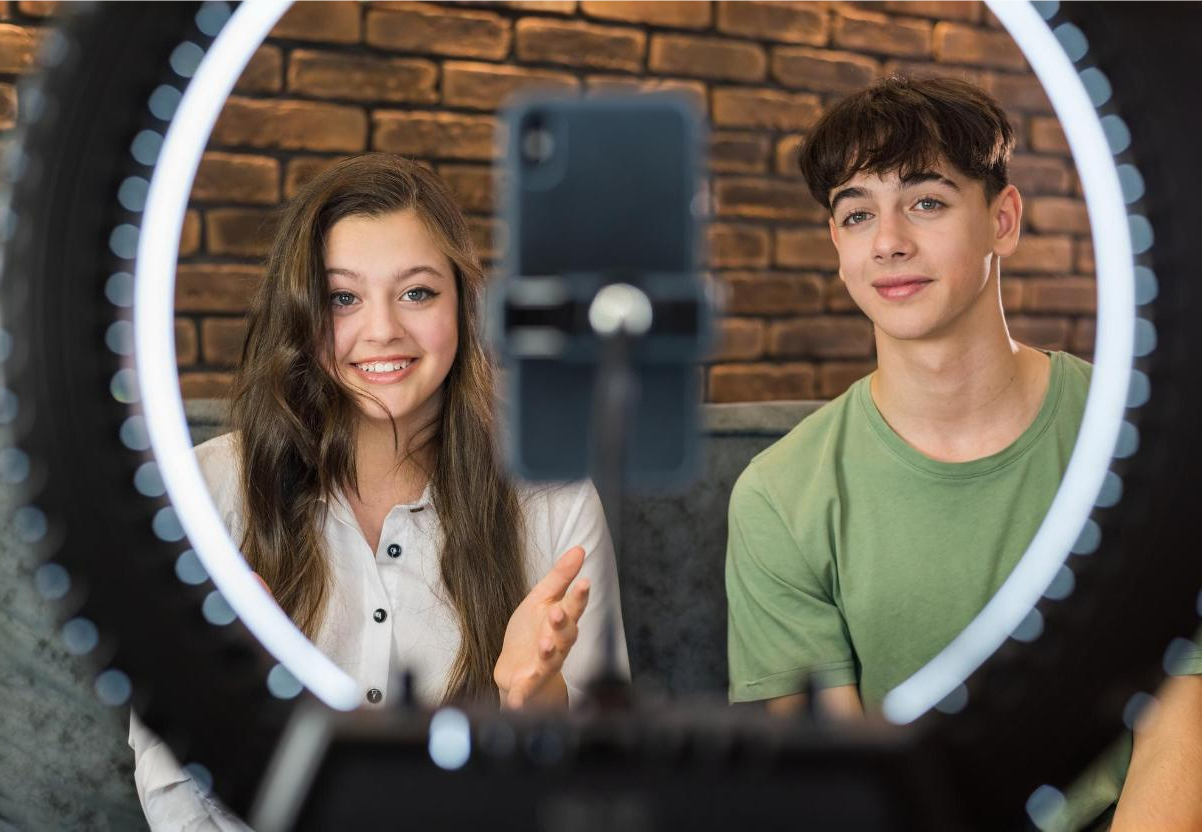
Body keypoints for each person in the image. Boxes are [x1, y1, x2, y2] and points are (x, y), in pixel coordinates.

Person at [725, 76, 1201, 830]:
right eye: (856, 214)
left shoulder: (1140, 439)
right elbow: (832, 783)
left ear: (1002, 220)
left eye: (927, 201)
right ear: (838, 248)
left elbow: (1182, 713)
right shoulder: (779, 495)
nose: (889, 242)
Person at [130, 153, 629, 829]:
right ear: (302, 314)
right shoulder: (203, 495)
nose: (383, 329)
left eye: (417, 292)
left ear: (463, 303)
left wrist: (535, 699)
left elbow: (598, 785)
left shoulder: (554, 497)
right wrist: (234, 705)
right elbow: (173, 794)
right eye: (343, 298)